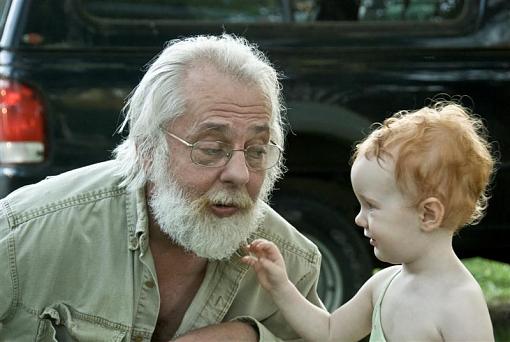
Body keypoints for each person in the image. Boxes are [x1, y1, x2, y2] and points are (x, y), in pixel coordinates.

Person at [0, 34, 324, 341]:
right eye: (211, 148)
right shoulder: (21, 237)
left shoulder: (293, 266)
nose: (240, 174)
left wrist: (254, 337)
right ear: (147, 149)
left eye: (256, 150)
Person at [242, 101, 496, 341]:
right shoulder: (383, 285)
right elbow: (329, 333)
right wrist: (281, 287)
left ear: (428, 214)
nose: (359, 218)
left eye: (371, 206)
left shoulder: (460, 304)